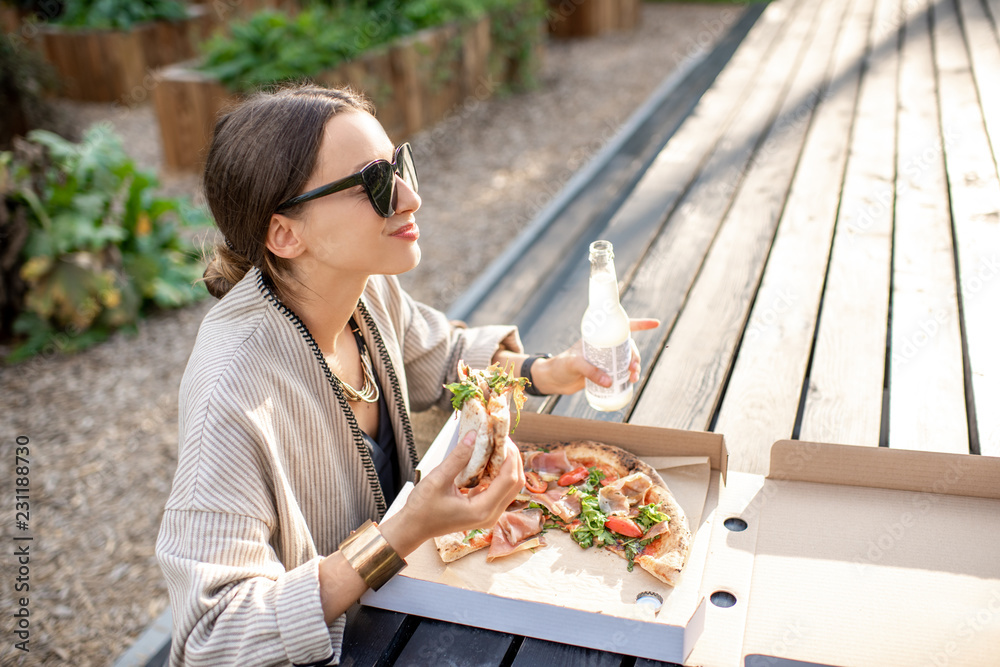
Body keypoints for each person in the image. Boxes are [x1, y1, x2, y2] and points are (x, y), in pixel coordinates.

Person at [156, 84, 657, 666]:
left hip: (402, 611)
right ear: (285, 233)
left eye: (400, 165)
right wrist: (403, 532)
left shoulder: (365, 287)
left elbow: (443, 359)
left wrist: (551, 370)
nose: (410, 196)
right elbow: (211, 636)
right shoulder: (232, 392)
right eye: (373, 183)